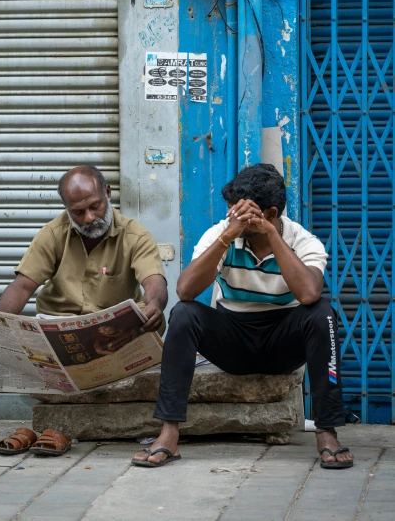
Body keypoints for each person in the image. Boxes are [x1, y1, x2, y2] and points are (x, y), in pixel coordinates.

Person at [132, 163, 353, 470]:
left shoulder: (303, 241)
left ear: (271, 214)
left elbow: (307, 295)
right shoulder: (222, 234)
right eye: (230, 211)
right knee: (184, 314)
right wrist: (229, 235)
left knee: (322, 314)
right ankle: (169, 432)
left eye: (239, 213)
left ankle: (326, 431)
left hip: (282, 344)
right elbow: (185, 291)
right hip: (232, 341)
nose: (230, 218)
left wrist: (270, 235)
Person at [0, 165, 167, 338]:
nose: (89, 218)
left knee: (154, 323)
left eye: (95, 206)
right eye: (78, 212)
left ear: (107, 192)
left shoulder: (136, 236)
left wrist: (155, 304)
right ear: (67, 208)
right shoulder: (52, 234)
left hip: (114, 329)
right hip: (61, 325)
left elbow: (153, 281)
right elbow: (22, 286)